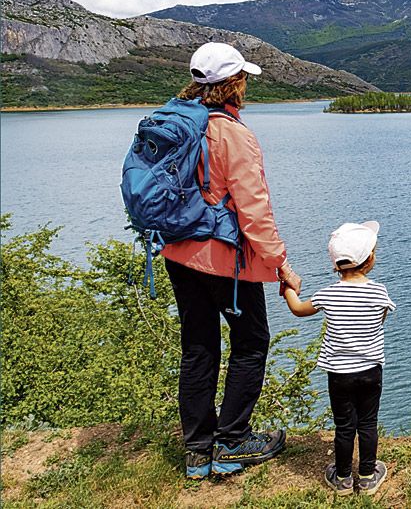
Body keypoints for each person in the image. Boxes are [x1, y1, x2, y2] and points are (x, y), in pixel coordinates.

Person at [161, 42, 303, 478]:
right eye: (244, 78)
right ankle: (233, 440)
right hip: (224, 261)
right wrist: (280, 263)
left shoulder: (179, 121)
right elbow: (253, 209)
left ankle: (197, 452)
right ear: (234, 84)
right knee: (251, 342)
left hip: (177, 251)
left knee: (199, 347)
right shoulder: (232, 133)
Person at [282, 220, 394, 496]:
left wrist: (287, 288)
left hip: (339, 374)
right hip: (370, 370)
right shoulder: (379, 292)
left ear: (335, 265)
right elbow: (380, 318)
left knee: (345, 425)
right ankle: (367, 476)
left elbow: (298, 309)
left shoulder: (327, 294)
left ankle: (343, 478)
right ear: (370, 260)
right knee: (367, 423)